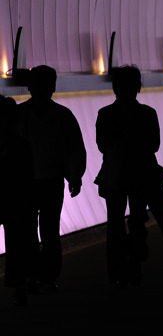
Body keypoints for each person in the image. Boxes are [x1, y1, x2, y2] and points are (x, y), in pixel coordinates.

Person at [19, 65, 86, 291]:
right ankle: (48, 275)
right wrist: (74, 176)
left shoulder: (19, 115)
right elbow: (74, 149)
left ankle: (30, 274)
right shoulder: (63, 116)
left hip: (25, 182)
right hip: (52, 180)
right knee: (50, 230)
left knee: (28, 230)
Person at [95, 65, 161, 287]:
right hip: (142, 173)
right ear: (138, 87)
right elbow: (154, 145)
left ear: (114, 88)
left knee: (115, 222)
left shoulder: (105, 115)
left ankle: (116, 269)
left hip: (115, 174)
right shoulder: (148, 114)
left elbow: (103, 146)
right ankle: (136, 262)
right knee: (137, 219)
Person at [0, 94, 32, 305]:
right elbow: (27, 176)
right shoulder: (21, 144)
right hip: (15, 200)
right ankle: (18, 285)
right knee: (15, 244)